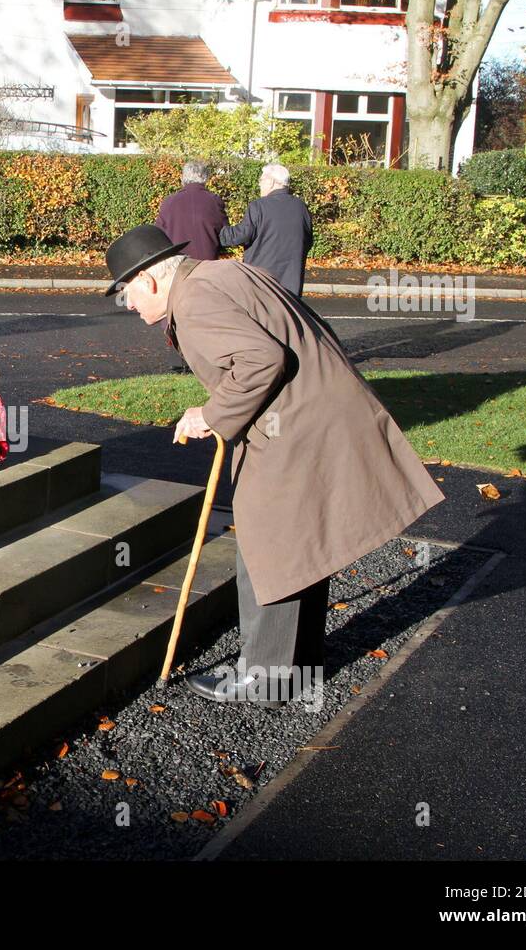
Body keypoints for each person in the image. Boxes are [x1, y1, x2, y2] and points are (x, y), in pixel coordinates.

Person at [103, 225, 444, 706]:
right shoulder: (221, 273)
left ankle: (268, 677)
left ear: (150, 280)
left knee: (271, 546)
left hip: (295, 428)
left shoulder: (196, 299)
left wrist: (212, 414)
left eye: (126, 291)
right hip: (312, 417)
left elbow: (262, 359)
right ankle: (294, 671)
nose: (128, 303)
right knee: (297, 544)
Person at [219, 162, 313, 297]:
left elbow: (242, 235)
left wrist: (218, 232)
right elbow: (308, 241)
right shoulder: (301, 207)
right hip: (291, 283)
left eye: (261, 180)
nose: (259, 184)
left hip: (262, 281)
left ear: (271, 182)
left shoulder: (259, 207)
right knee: (286, 317)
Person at [155, 160, 226, 261]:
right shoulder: (214, 201)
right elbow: (224, 234)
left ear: (183, 177)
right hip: (206, 264)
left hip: (178, 263)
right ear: (205, 177)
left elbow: (159, 235)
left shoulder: (169, 202)